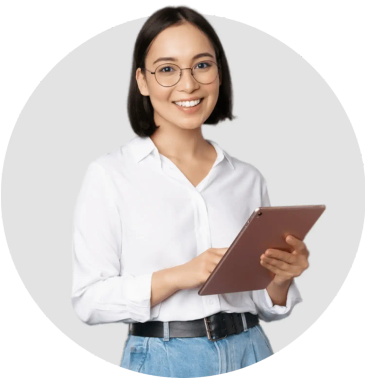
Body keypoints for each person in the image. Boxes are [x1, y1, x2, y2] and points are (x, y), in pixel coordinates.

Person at [71, 5, 309, 377]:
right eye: (167, 69)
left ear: (219, 72)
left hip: (252, 348)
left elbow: (263, 303)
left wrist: (281, 278)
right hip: (164, 360)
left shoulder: (247, 178)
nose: (188, 85)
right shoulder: (110, 175)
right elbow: (88, 302)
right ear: (143, 81)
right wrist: (180, 275)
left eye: (202, 65)